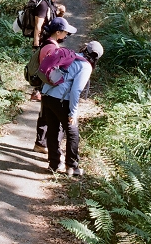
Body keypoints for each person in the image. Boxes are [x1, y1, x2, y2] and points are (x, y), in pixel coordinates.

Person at [41, 40, 104, 177]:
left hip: (47, 95)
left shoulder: (72, 56)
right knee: (72, 131)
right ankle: (71, 166)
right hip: (59, 100)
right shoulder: (86, 66)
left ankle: (54, 164)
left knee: (53, 129)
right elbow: (76, 91)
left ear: (85, 49)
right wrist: (73, 113)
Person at [32, 17, 77, 154]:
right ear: (58, 32)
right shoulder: (52, 48)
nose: (67, 34)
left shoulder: (46, 43)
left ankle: (40, 143)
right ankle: (42, 144)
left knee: (44, 114)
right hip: (48, 86)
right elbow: (52, 70)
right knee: (47, 116)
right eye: (65, 32)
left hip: (44, 84)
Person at [30, 0, 65, 101]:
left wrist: (61, 13)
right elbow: (38, 26)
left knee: (47, 66)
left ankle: (41, 91)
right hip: (43, 42)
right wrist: (36, 44)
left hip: (48, 41)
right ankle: (37, 92)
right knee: (41, 66)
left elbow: (53, 22)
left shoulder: (51, 3)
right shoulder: (43, 5)